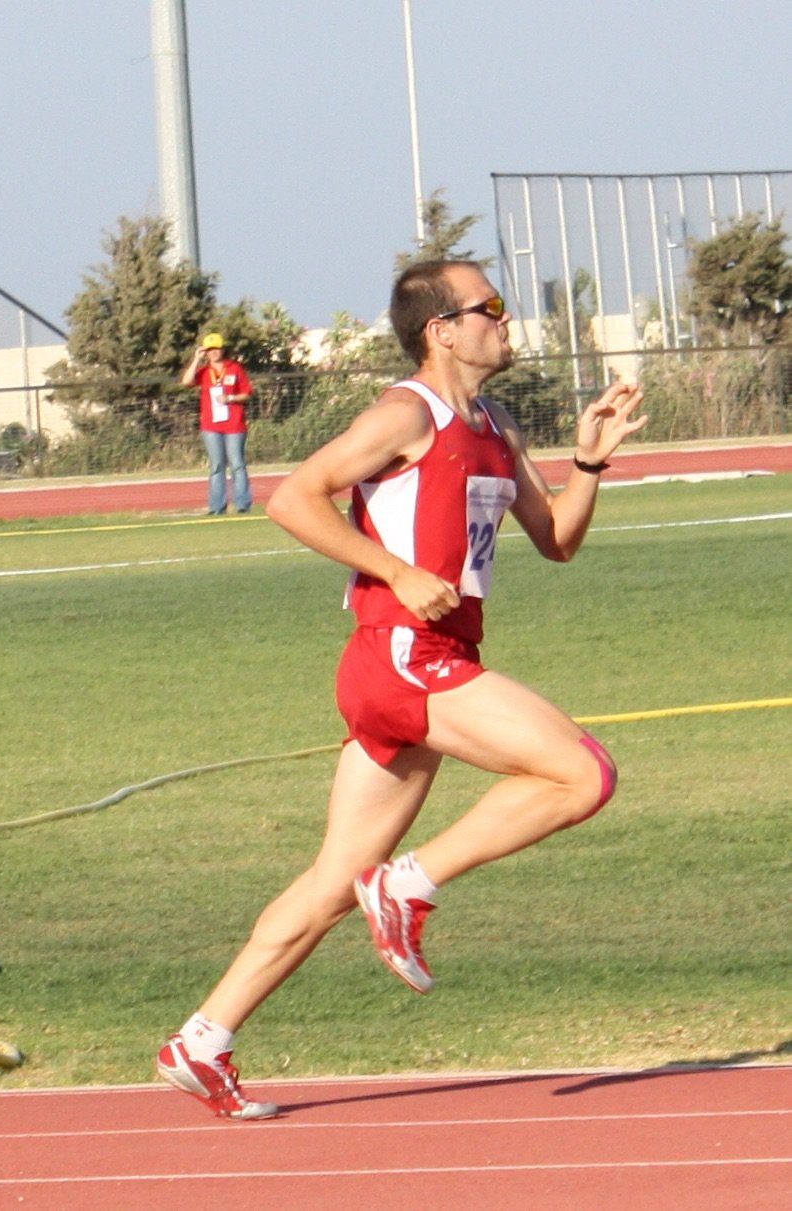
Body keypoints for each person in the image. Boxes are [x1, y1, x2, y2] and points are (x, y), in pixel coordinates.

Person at [156, 259, 648, 1121]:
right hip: (403, 653)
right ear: (441, 329)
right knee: (582, 774)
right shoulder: (403, 413)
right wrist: (391, 567)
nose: (505, 318)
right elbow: (294, 497)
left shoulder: (495, 423)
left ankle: (203, 1037)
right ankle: (410, 883)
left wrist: (590, 462)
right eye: (488, 307)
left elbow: (559, 540)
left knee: (332, 878)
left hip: (430, 655)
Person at [182, 332, 254, 515]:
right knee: (216, 466)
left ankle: (243, 504)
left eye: (216, 348)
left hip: (234, 425)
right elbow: (186, 381)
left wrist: (230, 397)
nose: (214, 352)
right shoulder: (205, 371)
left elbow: (247, 393)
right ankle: (217, 507)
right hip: (211, 426)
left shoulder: (235, 368)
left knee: (237, 464)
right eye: (209, 350)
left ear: (223, 349)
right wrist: (196, 360)